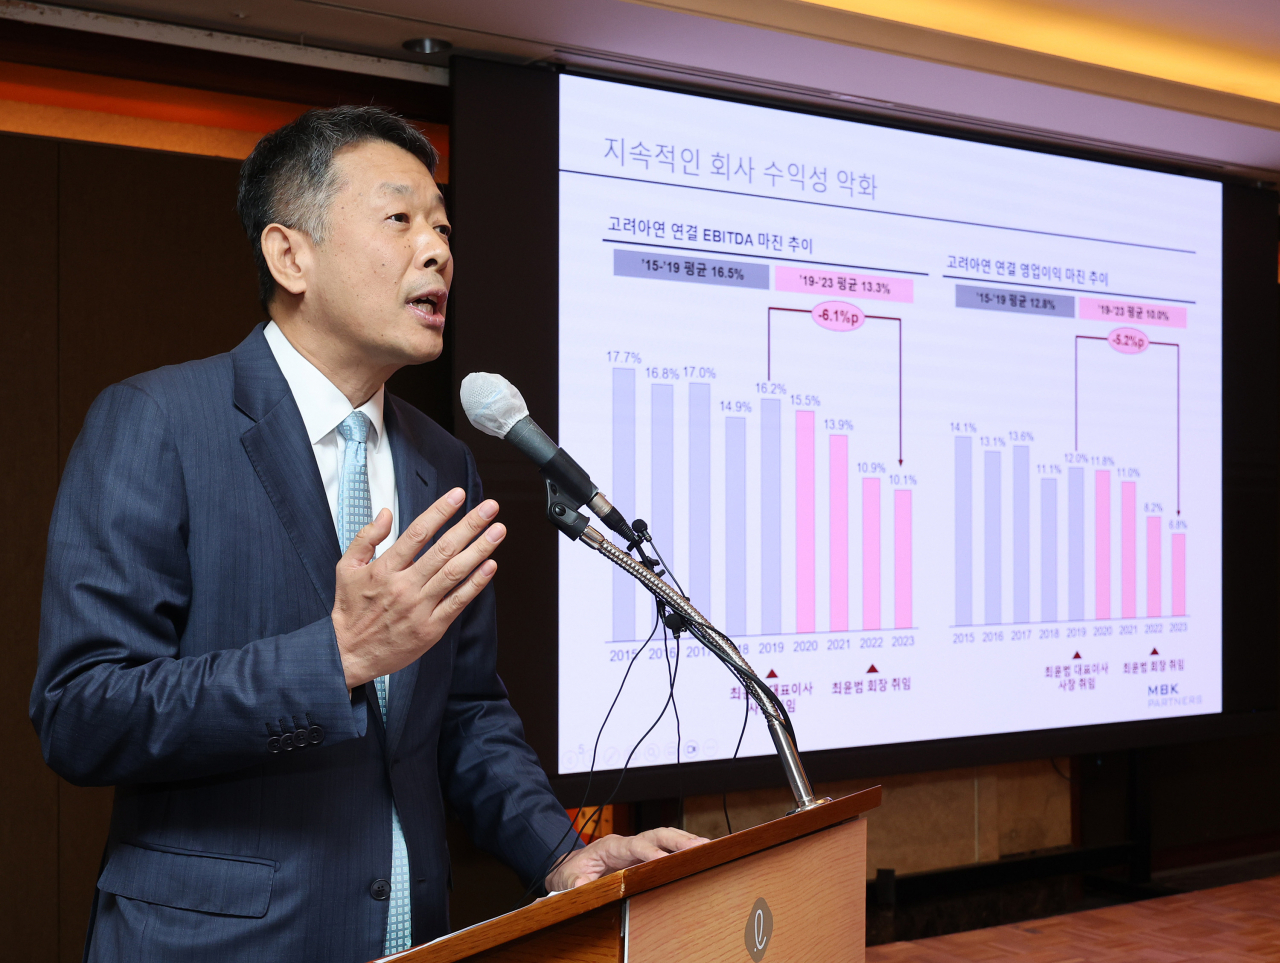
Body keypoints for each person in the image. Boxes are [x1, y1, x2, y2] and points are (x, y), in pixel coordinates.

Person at [30, 106, 703, 963]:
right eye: (400, 219)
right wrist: (334, 657)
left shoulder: (443, 462)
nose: (438, 250)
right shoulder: (158, 423)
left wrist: (562, 854)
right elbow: (83, 713)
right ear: (290, 255)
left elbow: (464, 712)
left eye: (443, 226)